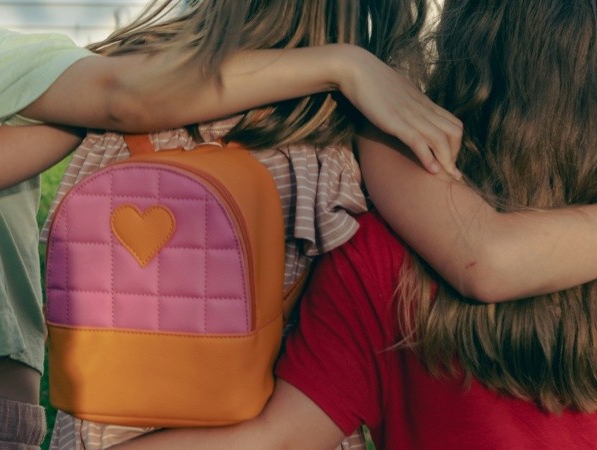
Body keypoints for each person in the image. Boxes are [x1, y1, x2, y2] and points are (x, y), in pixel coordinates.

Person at [0, 0, 464, 447]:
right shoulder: (346, 142)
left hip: (32, 419)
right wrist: (345, 66)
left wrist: (342, 66)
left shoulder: (7, 72)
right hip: (250, 425)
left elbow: (118, 99)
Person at [45, 0, 597, 449]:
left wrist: (346, 67)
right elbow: (487, 257)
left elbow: (284, 436)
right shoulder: (349, 168)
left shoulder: (381, 252)